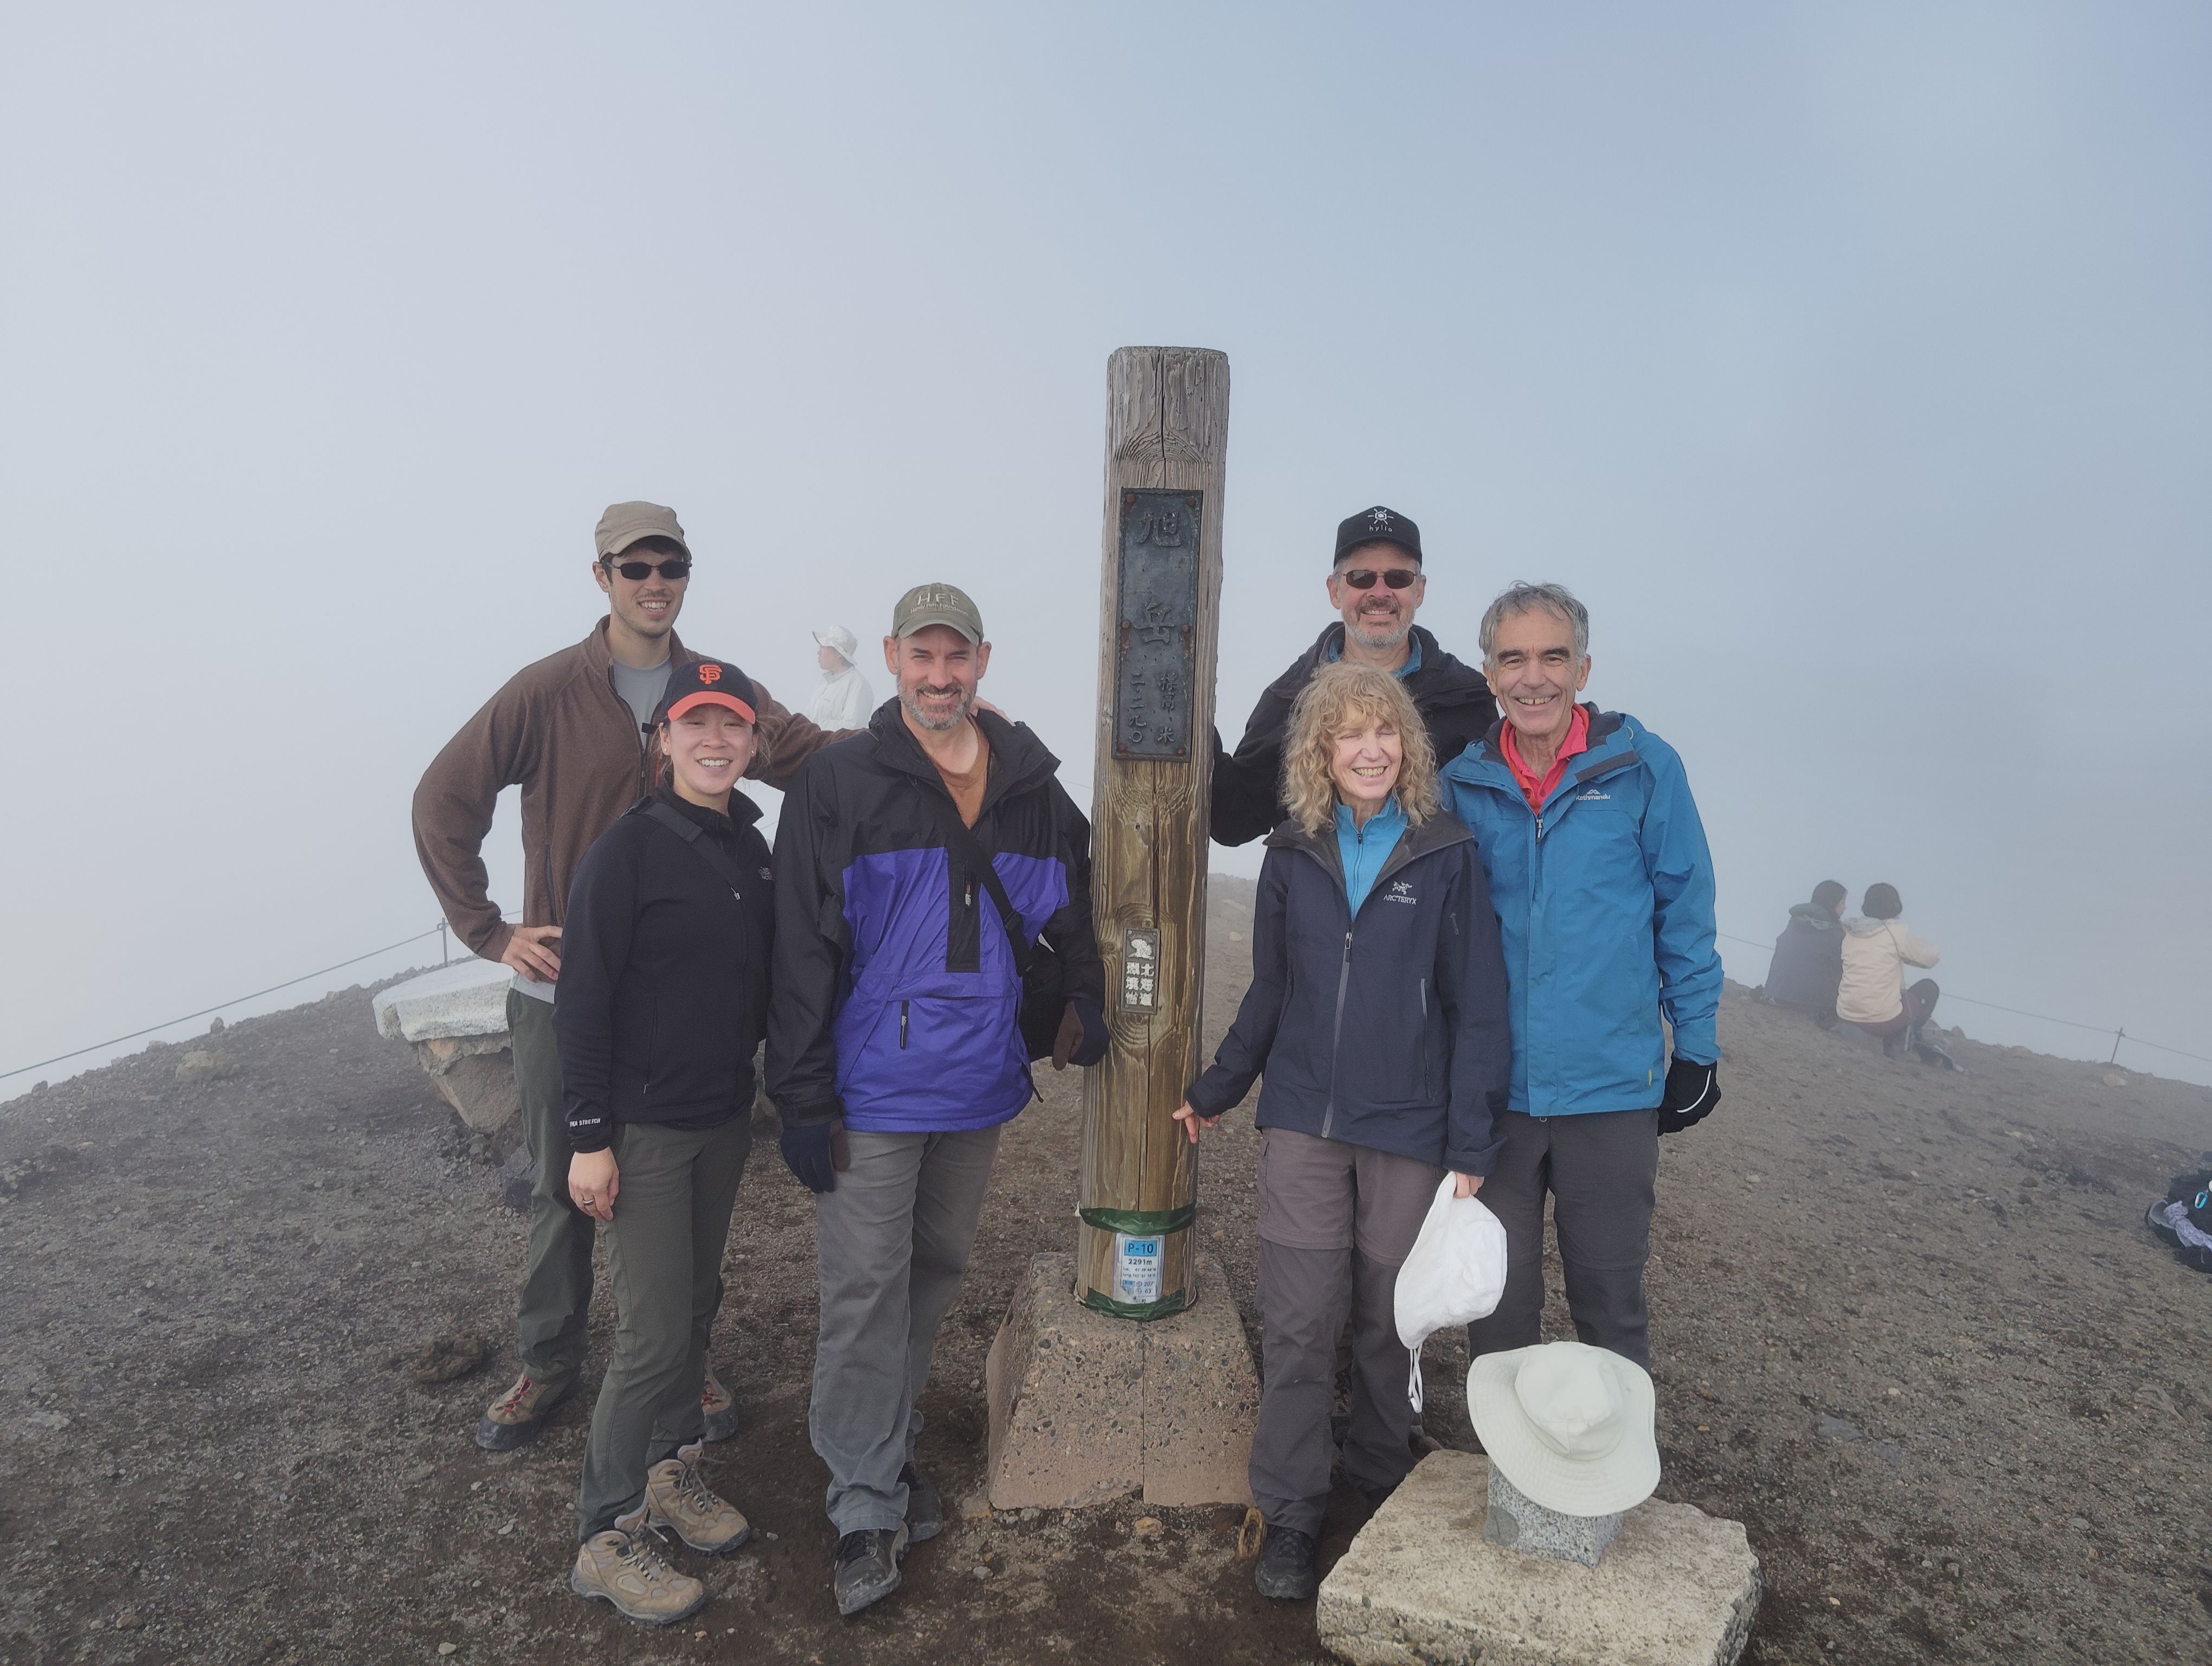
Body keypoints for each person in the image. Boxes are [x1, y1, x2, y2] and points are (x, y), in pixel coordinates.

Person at [412, 500, 846, 1453]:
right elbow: (444, 799)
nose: (655, 582)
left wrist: (931, 734)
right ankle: (550, 1359)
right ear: (601, 575)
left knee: (680, 1195)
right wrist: (488, 931)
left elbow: (815, 757)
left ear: (686, 574)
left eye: (671, 565)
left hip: (680, 1020)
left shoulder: (718, 692)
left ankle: (680, 1363)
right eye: (634, 566)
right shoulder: (545, 692)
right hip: (562, 992)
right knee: (564, 1183)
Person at [764, 581, 1107, 1617]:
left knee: (933, 1271)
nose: (939, 675)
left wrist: (1086, 993)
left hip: (976, 1085)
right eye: (922, 656)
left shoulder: (1033, 789)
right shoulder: (840, 780)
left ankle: (885, 1439)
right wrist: (801, 1093)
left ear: (983, 663)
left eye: (956, 658)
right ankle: (865, 1497)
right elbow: (801, 946)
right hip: (870, 1088)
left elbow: (1079, 899)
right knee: (866, 1285)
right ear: (893, 657)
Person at [1173, 662, 1510, 1602]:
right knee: (1297, 1320)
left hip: (1410, 1124)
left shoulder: (1448, 852)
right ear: (1319, 751)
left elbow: (1476, 1005)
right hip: (1304, 1122)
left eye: (1385, 731)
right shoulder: (1292, 852)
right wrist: (1216, 1087)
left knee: (1385, 1318)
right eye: (1347, 734)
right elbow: (1273, 991)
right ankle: (1289, 1508)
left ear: (1408, 745)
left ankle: (1376, 1471)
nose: (1369, 748)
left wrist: (1473, 1141)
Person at [1438, 582, 1722, 1374]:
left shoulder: (1642, 769)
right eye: (1514, 659)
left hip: (1611, 1092)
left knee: (1610, 1305)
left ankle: (1612, 1490)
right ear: (1491, 675)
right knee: (1498, 1308)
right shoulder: (1458, 786)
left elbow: (1684, 910)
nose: (1535, 678)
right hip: (1495, 1098)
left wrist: (1696, 1047)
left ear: (1584, 668)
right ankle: (1511, 1488)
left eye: (1553, 657)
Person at [558, 661, 774, 1626]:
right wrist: (588, 1139)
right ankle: (605, 1533)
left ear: (754, 741)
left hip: (722, 1116)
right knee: (649, 1332)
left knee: (696, 1300)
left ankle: (673, 1470)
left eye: (733, 725)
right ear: (665, 738)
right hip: (642, 1131)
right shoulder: (627, 853)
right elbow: (584, 1000)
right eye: (698, 724)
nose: (716, 741)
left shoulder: (753, 850)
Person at [1210, 505, 1497, 848]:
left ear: (1419, 590)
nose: (1380, 593)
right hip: (1316, 899)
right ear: (1334, 591)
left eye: (1398, 578)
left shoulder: (1467, 698)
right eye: (1361, 578)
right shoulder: (1288, 699)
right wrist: (1186, 714)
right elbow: (1234, 820)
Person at [1838, 883, 1949, 1063]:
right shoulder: (1896, 933)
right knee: (1929, 988)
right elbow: (1930, 958)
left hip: (1845, 1014)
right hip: (1881, 1023)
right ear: (1896, 908)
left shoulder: (1851, 932)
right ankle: (1900, 1040)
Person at [1760, 880, 1849, 1026]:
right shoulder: (1834, 934)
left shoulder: (1794, 923)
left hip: (1775, 996)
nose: (1845, 907)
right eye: (1842, 902)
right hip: (1811, 1006)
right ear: (1831, 902)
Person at [807, 625, 877, 729]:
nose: (819, 652)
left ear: (839, 653)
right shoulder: (823, 681)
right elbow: (808, 717)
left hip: (835, 745)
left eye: (823, 646)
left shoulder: (857, 683)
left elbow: (852, 727)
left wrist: (815, 726)